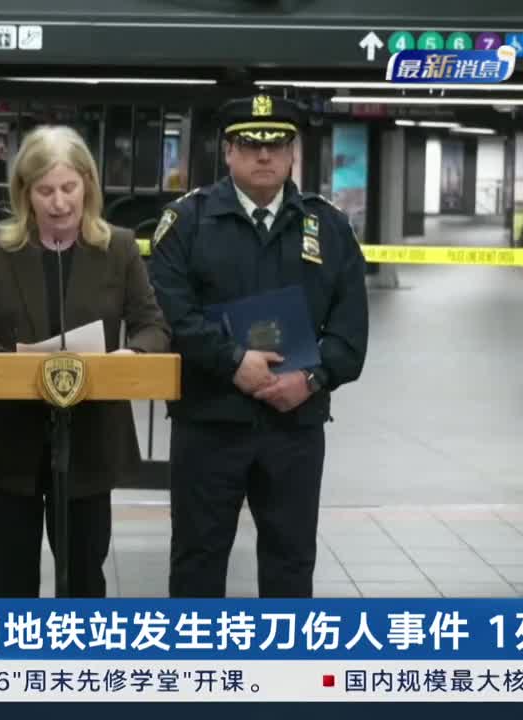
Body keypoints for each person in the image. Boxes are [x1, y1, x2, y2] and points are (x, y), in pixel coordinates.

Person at [148, 94, 368, 598]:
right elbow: (171, 312)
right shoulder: (187, 222)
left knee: (291, 563)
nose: (264, 155)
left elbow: (350, 331)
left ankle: (282, 653)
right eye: (250, 144)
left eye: (277, 144)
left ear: (293, 153)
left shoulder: (329, 227)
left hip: (295, 423)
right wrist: (232, 362)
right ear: (228, 151)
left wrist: (311, 378)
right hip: (209, 419)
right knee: (197, 562)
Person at [0, 125, 170, 597]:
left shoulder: (119, 247)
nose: (59, 202)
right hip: (7, 440)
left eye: (69, 187)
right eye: (45, 190)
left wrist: (131, 355)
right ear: (24, 192)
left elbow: (153, 326)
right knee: (12, 584)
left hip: (89, 439)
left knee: (84, 580)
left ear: (88, 185)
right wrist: (12, 368)